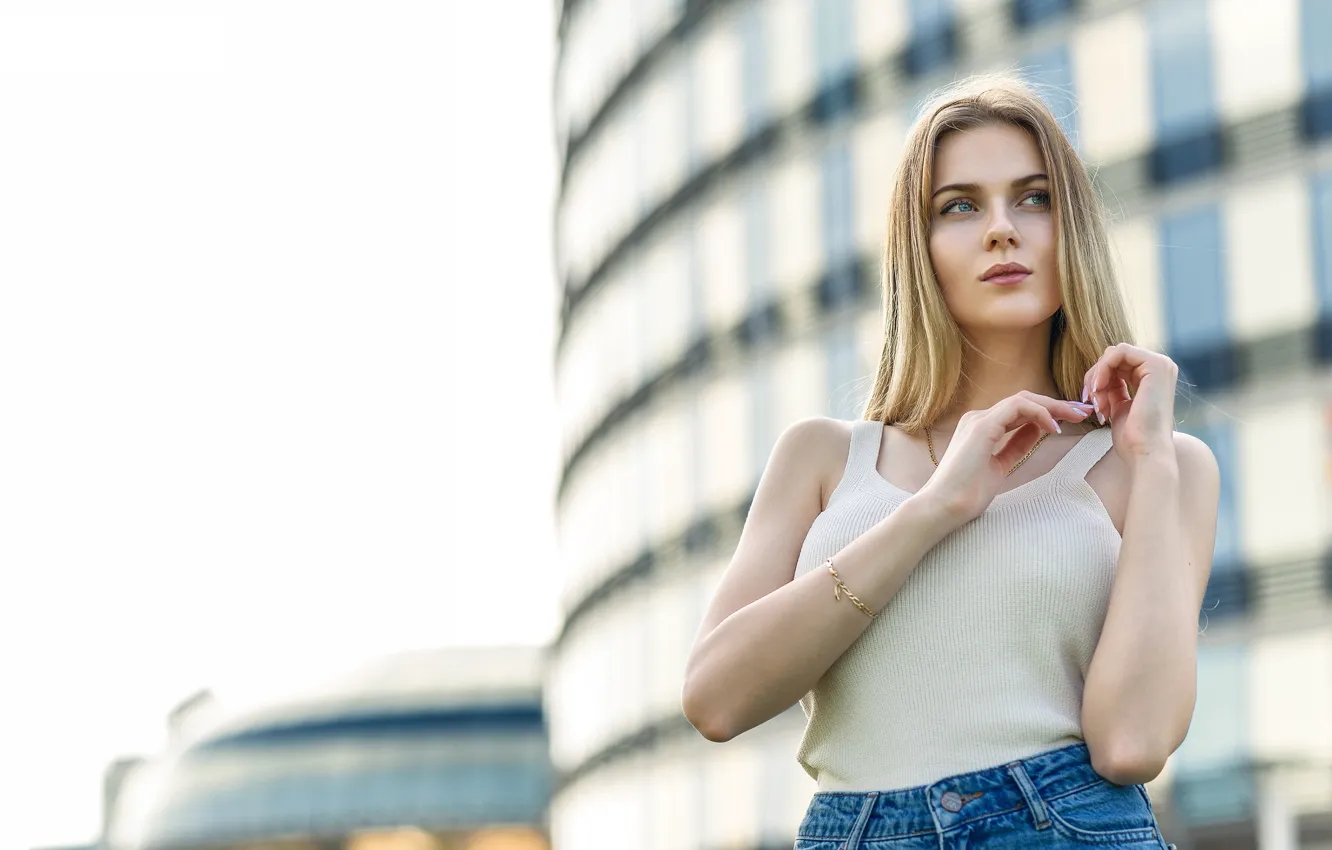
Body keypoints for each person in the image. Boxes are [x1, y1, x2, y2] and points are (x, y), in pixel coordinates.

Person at [680, 73, 1220, 849]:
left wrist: (1153, 459)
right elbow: (715, 700)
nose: (1002, 229)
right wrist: (935, 508)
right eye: (960, 205)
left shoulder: (1162, 468)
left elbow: (1132, 744)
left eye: (1034, 198)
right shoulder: (824, 457)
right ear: (920, 248)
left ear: (1073, 229)